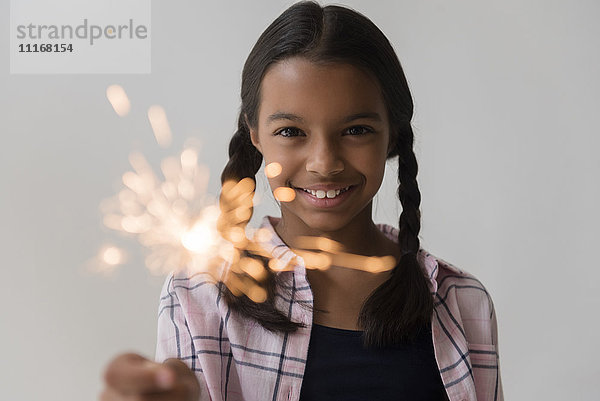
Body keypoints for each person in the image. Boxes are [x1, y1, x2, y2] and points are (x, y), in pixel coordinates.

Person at [100, 1, 503, 400]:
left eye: (356, 129)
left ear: (392, 134)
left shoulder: (462, 302)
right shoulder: (198, 295)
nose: (324, 163)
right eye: (292, 132)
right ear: (254, 133)